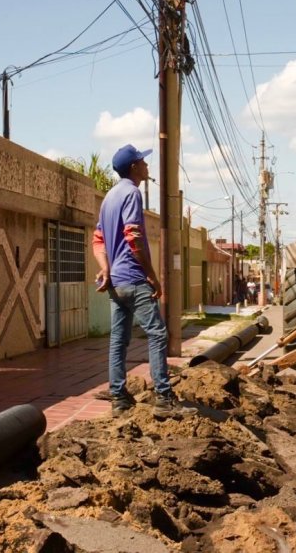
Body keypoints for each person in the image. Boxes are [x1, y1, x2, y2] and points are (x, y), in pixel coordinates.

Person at [93, 145, 196, 419]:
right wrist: (151, 274)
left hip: (116, 282)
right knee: (157, 334)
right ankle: (163, 396)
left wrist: (105, 269)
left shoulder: (109, 198)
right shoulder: (132, 193)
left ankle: (118, 398)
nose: (147, 167)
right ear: (134, 167)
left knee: (118, 340)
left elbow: (98, 241)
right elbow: (133, 235)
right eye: (143, 162)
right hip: (135, 278)